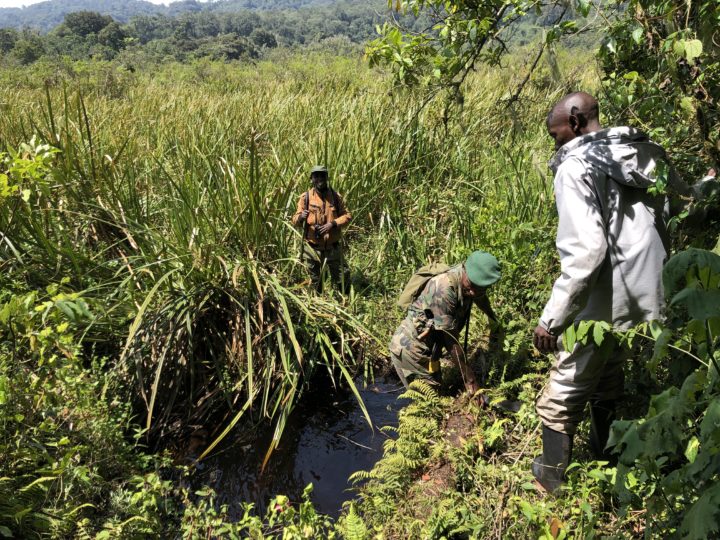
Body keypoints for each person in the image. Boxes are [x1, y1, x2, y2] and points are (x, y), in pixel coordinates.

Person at [531, 91, 695, 492]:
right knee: (608, 370)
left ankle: (551, 481)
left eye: (557, 137)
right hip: (648, 288)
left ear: (573, 121)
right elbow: (685, 199)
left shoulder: (575, 167)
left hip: (603, 291)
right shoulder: (642, 151)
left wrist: (551, 318)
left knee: (565, 384)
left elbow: (587, 251)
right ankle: (607, 455)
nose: (558, 144)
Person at [389, 250, 501, 398]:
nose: (473, 293)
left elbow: (480, 297)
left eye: (480, 288)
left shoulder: (471, 284)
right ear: (465, 271)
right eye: (472, 285)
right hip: (412, 349)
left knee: (438, 392)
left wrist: (494, 320)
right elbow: (451, 342)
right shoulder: (444, 290)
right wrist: (470, 380)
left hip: (431, 350)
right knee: (430, 401)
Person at [291, 165, 352, 291]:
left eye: (322, 175)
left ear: (327, 177)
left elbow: (347, 216)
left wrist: (332, 224)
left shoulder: (335, 197)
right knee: (315, 281)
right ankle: (317, 300)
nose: (320, 179)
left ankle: (345, 302)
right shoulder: (305, 198)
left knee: (342, 277)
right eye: (316, 176)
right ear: (311, 179)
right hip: (312, 248)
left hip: (333, 247)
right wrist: (301, 217)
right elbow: (295, 220)